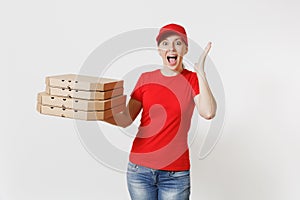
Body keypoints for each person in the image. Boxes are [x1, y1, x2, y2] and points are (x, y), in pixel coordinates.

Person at [104, 23, 217, 200]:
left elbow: (208, 112)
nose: (171, 48)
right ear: (159, 49)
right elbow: (125, 120)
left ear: (185, 49)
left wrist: (201, 72)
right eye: (165, 43)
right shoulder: (145, 79)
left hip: (175, 175)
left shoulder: (193, 79)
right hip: (139, 171)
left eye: (178, 43)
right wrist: (101, 110)